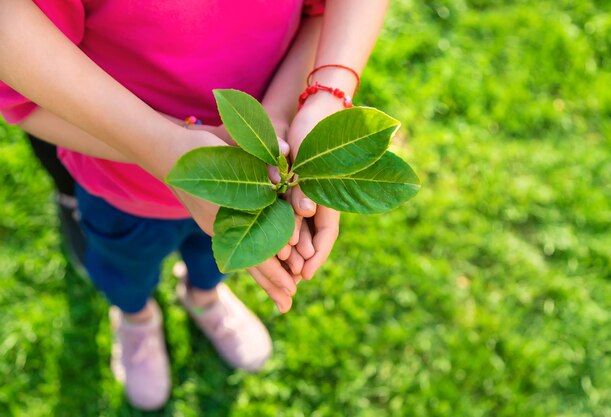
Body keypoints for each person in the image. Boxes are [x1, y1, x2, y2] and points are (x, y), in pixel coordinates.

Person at [0, 0, 389, 410]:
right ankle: (136, 318)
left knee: (216, 259)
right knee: (125, 270)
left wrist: (300, 107)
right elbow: (23, 91)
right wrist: (166, 148)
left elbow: (320, 12)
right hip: (122, 188)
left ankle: (204, 297)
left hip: (242, 196)